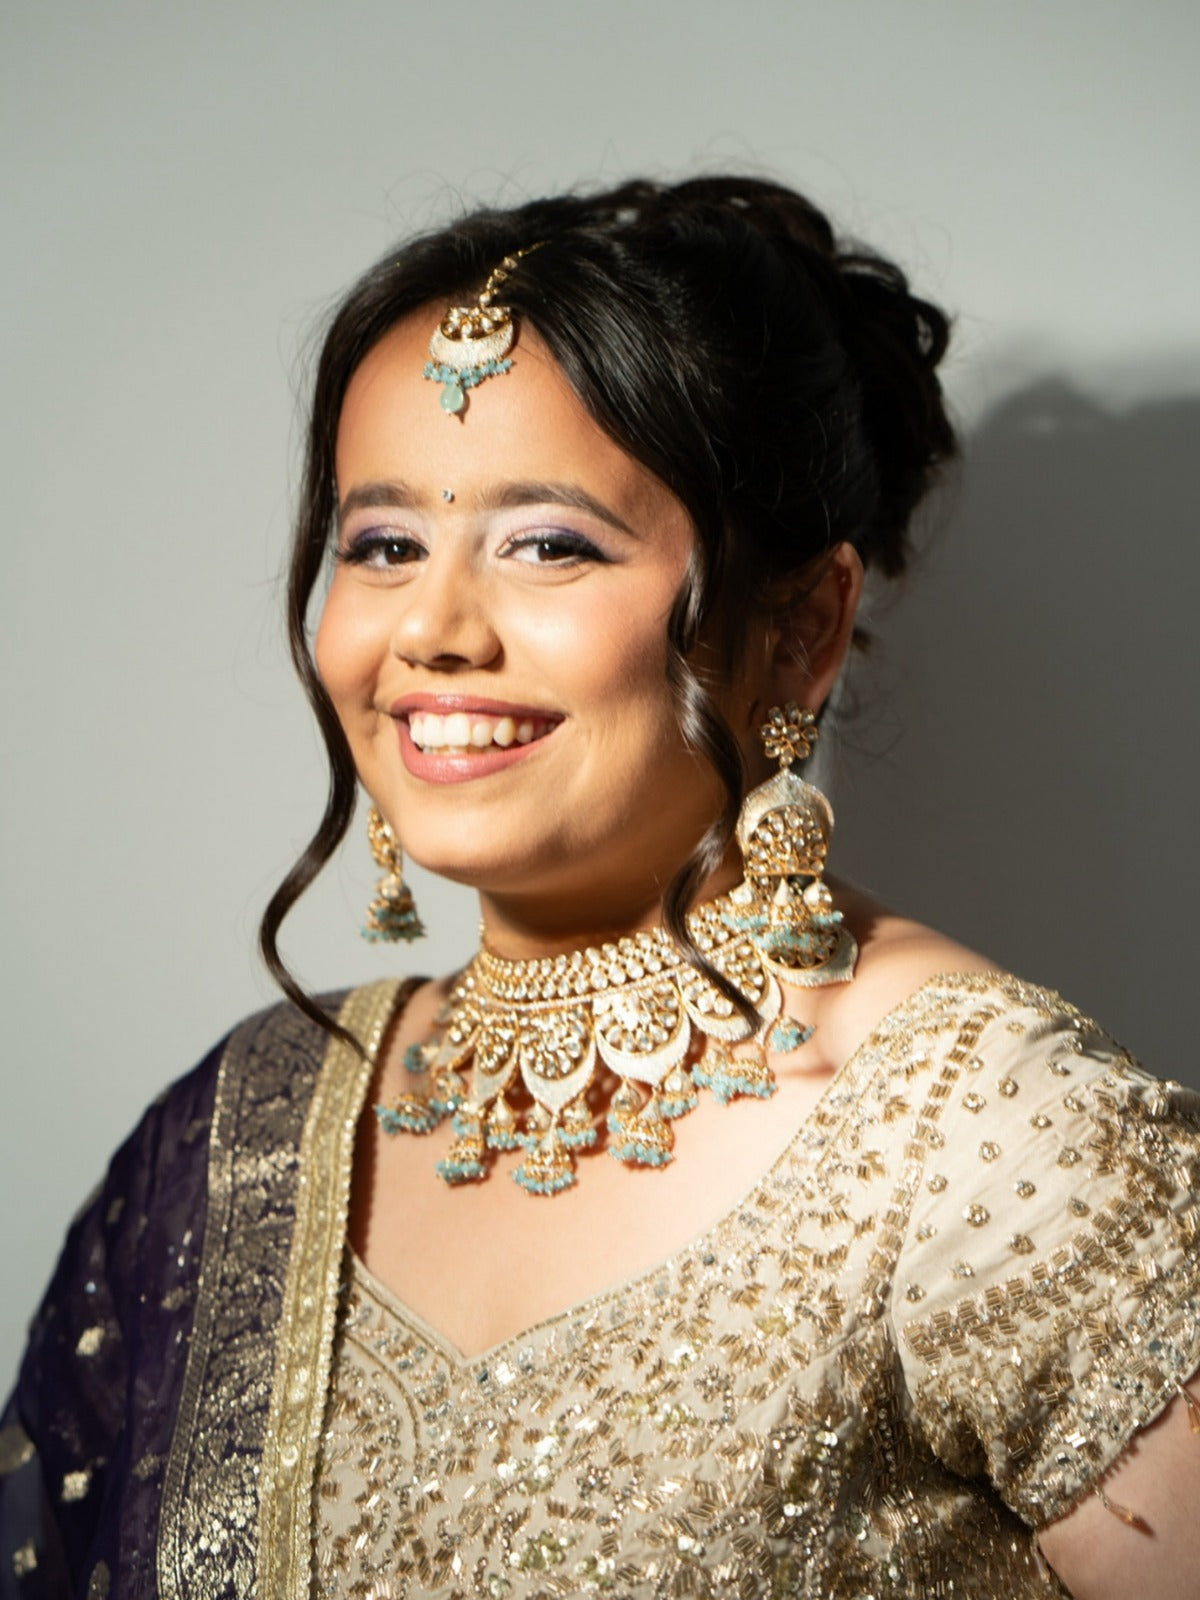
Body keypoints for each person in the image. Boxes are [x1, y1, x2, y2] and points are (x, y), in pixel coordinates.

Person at [2, 175, 1198, 1600]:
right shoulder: (235, 1138)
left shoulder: (997, 1140)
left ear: (801, 629)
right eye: (381, 543)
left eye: (549, 543)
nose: (432, 629)